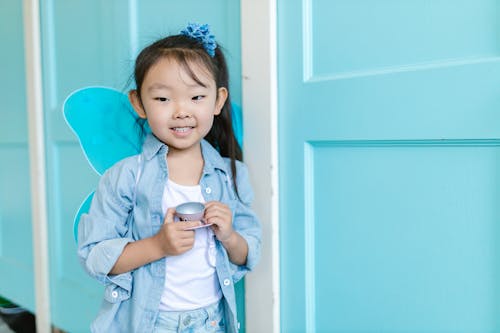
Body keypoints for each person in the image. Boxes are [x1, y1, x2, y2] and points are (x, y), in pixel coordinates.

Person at [77, 23, 261, 333]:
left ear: (218, 100)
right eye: (163, 99)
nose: (181, 111)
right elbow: (95, 256)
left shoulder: (231, 175)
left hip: (212, 321)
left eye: (196, 97)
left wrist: (229, 235)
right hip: (149, 323)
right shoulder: (126, 177)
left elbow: (248, 252)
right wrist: (158, 245)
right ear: (139, 104)